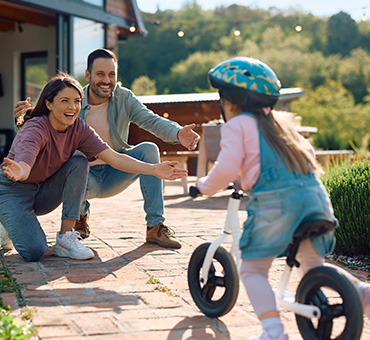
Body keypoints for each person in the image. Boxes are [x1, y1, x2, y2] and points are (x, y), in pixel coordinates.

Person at [194, 57, 370, 340]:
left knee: (251, 269)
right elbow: (307, 159)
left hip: (277, 205)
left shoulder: (237, 126)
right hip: (316, 201)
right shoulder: (283, 125)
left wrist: (203, 186)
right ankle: (360, 293)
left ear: (230, 102)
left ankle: (273, 332)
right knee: (313, 266)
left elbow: (225, 169)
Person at [14, 48, 200, 249]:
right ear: (87, 75)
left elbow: (151, 120)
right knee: (77, 162)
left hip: (116, 170)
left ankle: (155, 227)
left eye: (112, 74)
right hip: (83, 178)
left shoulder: (124, 98)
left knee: (149, 150)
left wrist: (178, 133)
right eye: (100, 74)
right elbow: (44, 130)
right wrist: (24, 121)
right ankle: (78, 219)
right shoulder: (73, 101)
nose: (107, 80)